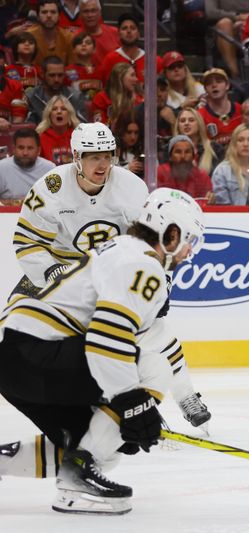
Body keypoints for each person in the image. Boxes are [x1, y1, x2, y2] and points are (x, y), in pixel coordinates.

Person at [0, 187, 205, 515]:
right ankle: (76, 475)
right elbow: (107, 338)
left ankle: (58, 473)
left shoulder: (124, 251)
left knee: (102, 446)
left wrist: (125, 413)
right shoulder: (143, 263)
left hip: (17, 359)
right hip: (36, 350)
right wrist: (133, 402)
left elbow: (119, 337)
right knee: (153, 367)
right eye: (190, 240)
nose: (190, 252)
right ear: (172, 233)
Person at [10, 123, 212, 429]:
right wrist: (52, 271)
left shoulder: (132, 188)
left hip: (108, 270)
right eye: (93, 157)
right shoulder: (49, 188)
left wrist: (161, 283)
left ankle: (186, 396)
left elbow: (152, 242)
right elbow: (27, 242)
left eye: (106, 155)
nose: (102, 164)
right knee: (14, 331)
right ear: (76, 157)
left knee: (153, 328)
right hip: (60, 270)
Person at [97, 13, 162, 83]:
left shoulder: (154, 61)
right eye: (124, 28)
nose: (129, 31)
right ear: (118, 34)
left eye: (133, 28)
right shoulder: (110, 60)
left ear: (138, 34)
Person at [25, 55, 88, 124]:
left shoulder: (75, 96)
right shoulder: (31, 96)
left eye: (60, 75)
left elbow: (82, 126)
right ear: (42, 74)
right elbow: (29, 126)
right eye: (52, 75)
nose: (56, 79)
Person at [0, 128, 56, 202]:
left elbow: (56, 199)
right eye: (21, 148)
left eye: (30, 148)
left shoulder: (50, 168)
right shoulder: (2, 167)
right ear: (13, 149)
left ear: (38, 150)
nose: (25, 153)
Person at [157, 135, 214, 200]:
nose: (183, 156)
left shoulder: (202, 177)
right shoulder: (160, 173)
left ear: (193, 156)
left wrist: (211, 199)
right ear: (170, 156)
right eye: (178, 152)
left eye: (187, 152)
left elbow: (206, 202)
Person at [197, 68, 242, 147]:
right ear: (205, 89)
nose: (214, 85)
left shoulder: (241, 110)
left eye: (218, 81)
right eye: (209, 83)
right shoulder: (200, 115)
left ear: (227, 85)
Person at [175, 106, 224, 176]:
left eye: (191, 120)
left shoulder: (215, 149)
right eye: (182, 121)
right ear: (178, 127)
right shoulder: (169, 150)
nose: (186, 123)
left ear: (199, 124)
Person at [91, 62, 142, 127]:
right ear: (120, 77)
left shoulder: (138, 98)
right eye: (132, 75)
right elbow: (99, 129)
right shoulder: (101, 98)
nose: (136, 79)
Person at [35, 94, 80, 165]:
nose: (59, 112)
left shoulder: (79, 136)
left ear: (69, 114)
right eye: (54, 109)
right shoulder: (40, 137)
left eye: (63, 109)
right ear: (49, 115)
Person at [79, 0, 120, 66]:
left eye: (93, 11)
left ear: (100, 13)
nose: (90, 15)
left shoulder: (115, 33)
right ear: (80, 15)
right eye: (86, 11)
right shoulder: (74, 37)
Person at [65, 31, 103, 103]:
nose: (83, 44)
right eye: (79, 43)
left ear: (94, 49)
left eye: (88, 43)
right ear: (73, 49)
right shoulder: (67, 71)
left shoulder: (101, 70)